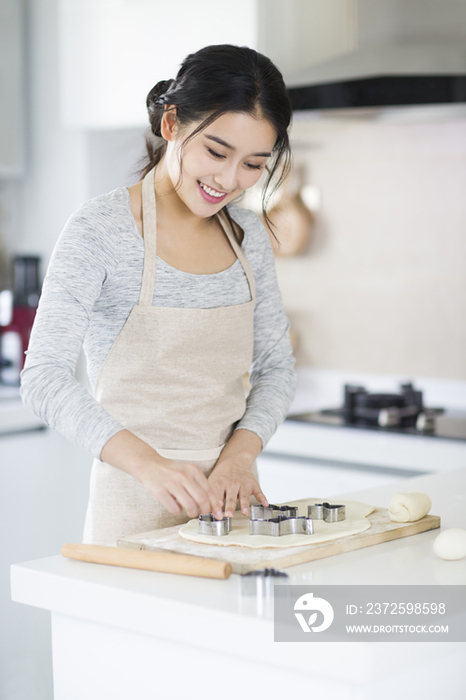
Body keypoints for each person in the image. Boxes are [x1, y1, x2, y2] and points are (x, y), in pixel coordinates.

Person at [20, 44, 297, 545]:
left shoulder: (247, 235)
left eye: (254, 164)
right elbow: (43, 379)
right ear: (171, 124)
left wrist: (240, 456)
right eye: (216, 152)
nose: (229, 181)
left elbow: (276, 367)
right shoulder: (100, 230)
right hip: (129, 513)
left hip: (230, 510)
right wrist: (151, 466)